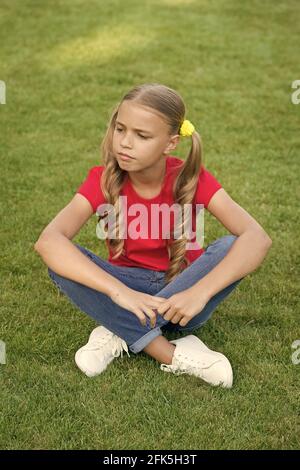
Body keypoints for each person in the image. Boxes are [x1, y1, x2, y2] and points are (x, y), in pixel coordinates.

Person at [34, 83, 272, 388]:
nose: (125, 143)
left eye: (141, 136)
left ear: (170, 143)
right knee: (61, 260)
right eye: (120, 129)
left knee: (231, 245)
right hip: (127, 288)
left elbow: (256, 237)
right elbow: (49, 240)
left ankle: (117, 327)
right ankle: (171, 353)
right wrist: (119, 293)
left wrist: (198, 293)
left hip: (182, 297)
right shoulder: (103, 179)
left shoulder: (190, 178)